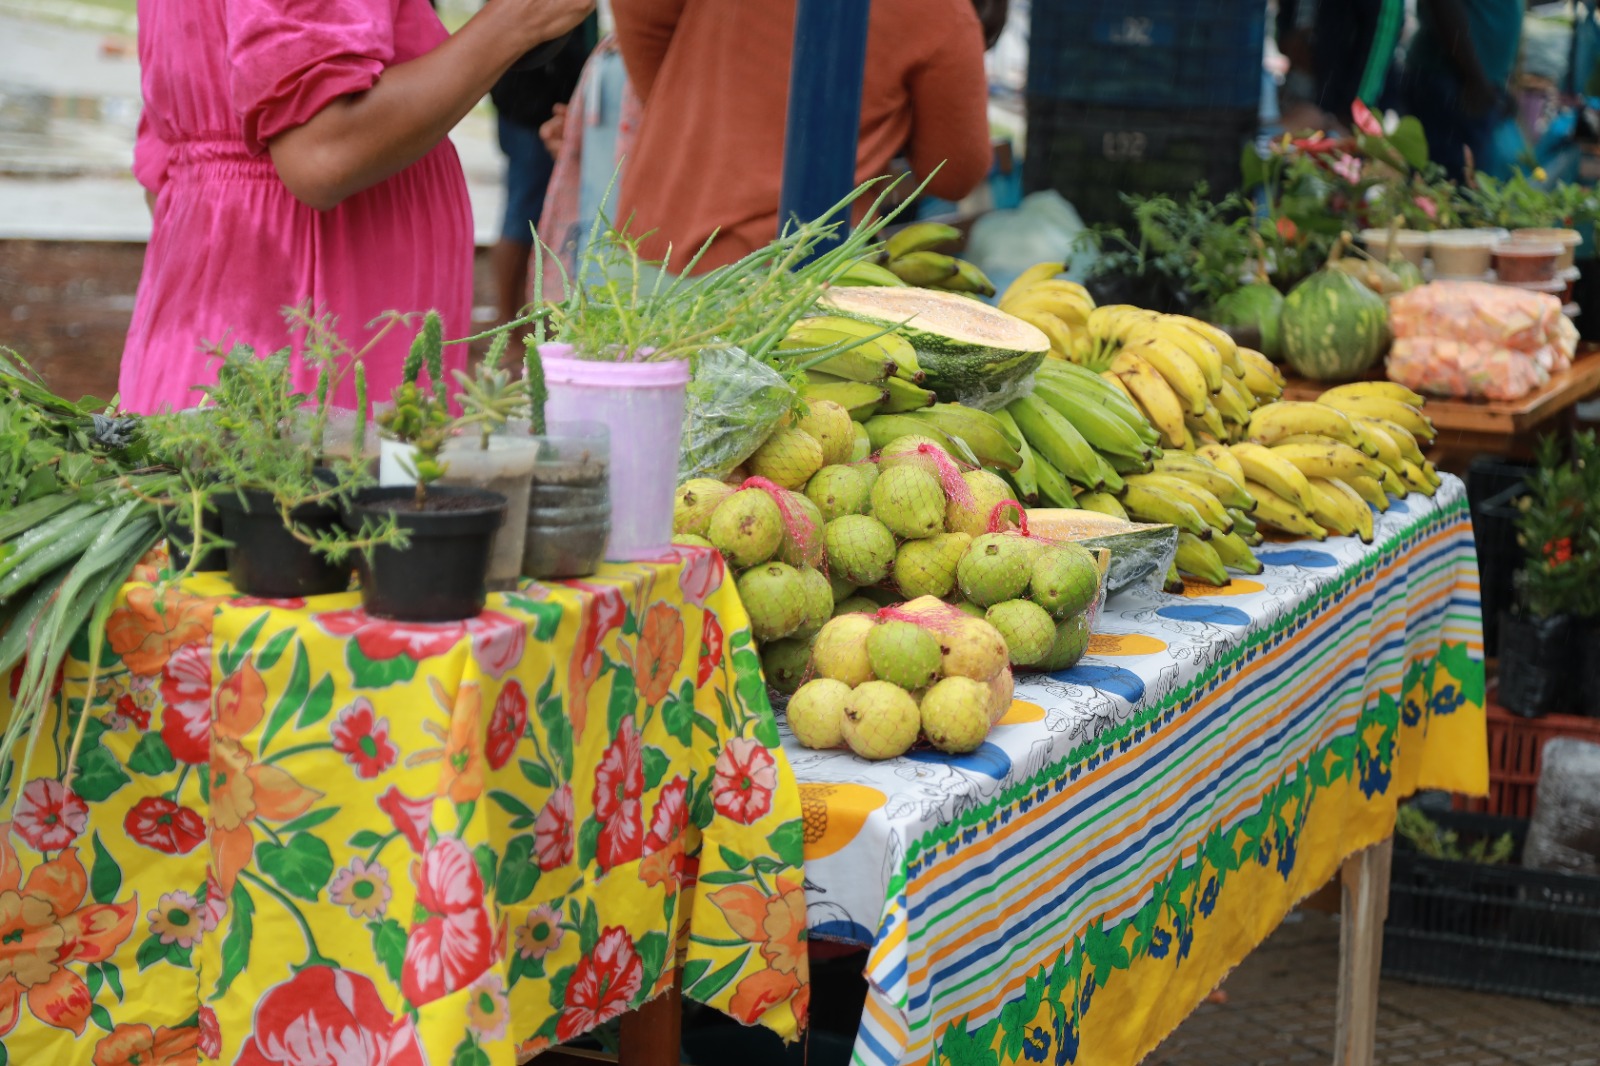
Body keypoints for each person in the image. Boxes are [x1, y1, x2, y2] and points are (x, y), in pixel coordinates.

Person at [121, 0, 592, 414]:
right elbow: (322, 150)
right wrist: (514, 21)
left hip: (196, 335)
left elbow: (162, 169)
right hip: (309, 365)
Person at [610, 0, 995, 272]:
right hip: (782, 280)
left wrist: (683, 111)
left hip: (639, 246)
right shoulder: (943, 14)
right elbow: (954, 171)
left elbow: (639, 11)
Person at [490, 20, 595, 324]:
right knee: (522, 219)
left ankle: (527, 324)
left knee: (543, 217)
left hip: (555, 96)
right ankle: (509, 331)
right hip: (531, 104)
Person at [1400, 0, 1524, 180]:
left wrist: (1501, 82)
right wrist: (1475, 79)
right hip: (1453, 82)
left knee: (1465, 190)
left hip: (1476, 84)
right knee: (1446, 190)